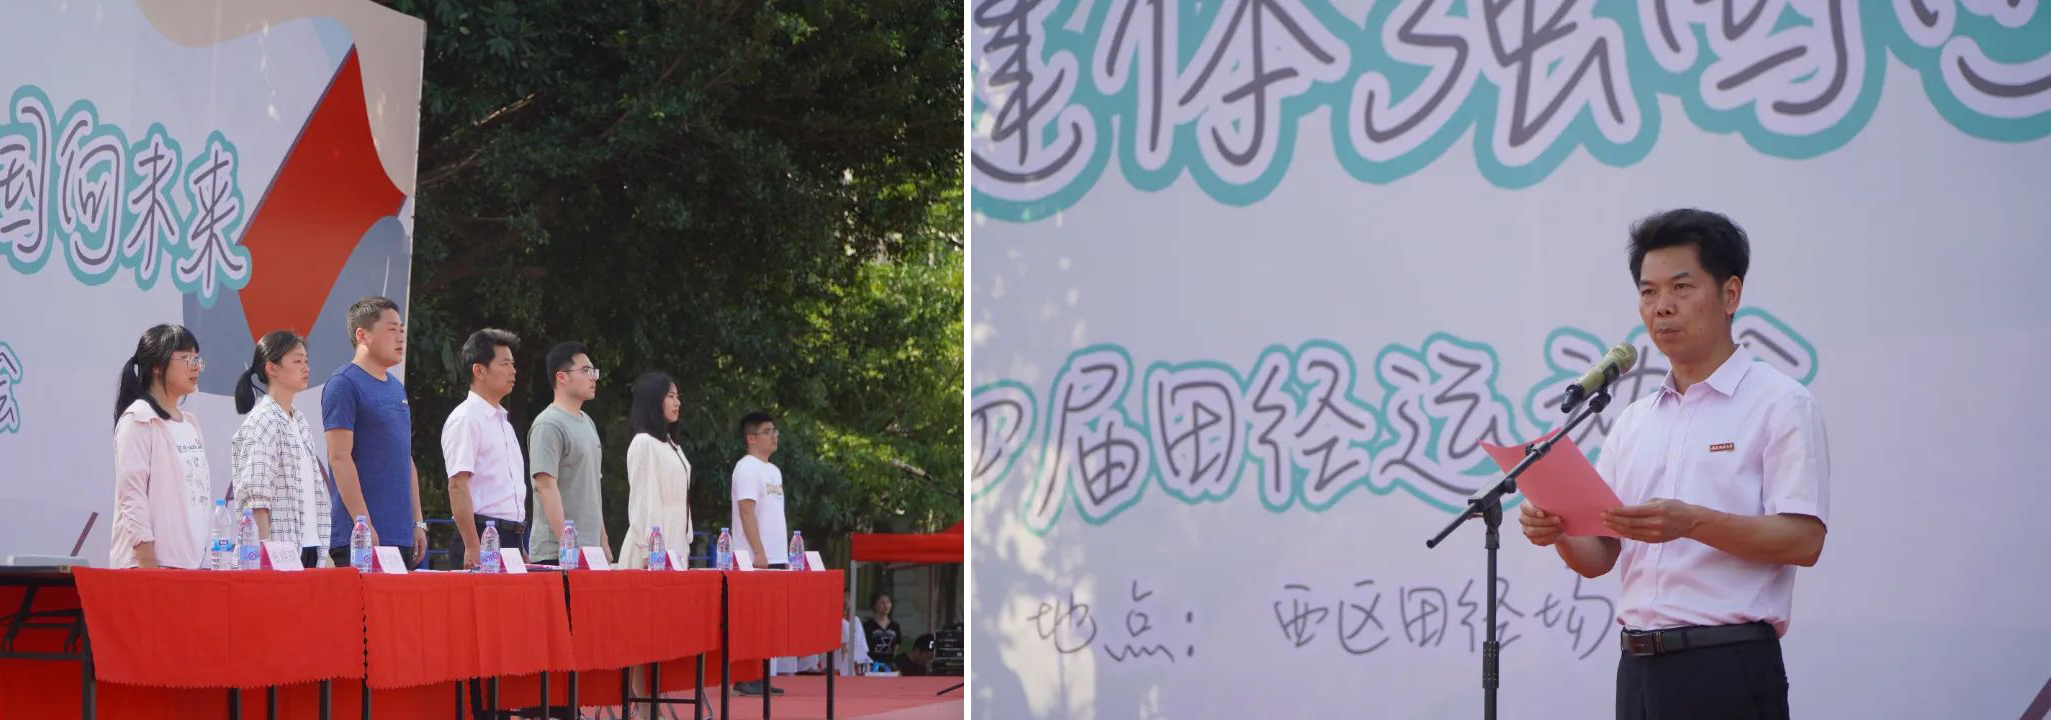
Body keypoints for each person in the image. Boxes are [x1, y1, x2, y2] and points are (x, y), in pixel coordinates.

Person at [1518, 209, 1829, 720]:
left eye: (1681, 288)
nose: (1662, 307)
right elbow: (1600, 556)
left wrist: (1691, 522)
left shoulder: (1780, 403)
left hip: (1727, 665)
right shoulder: (1634, 421)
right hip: (1638, 668)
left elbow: (1804, 540)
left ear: (1730, 295)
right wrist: (1560, 533)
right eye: (1649, 292)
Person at [324, 297, 427, 568]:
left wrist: (417, 522)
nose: (400, 337)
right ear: (362, 335)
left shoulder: (396, 387)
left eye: (401, 330)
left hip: (400, 534)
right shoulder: (343, 384)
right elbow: (339, 457)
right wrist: (364, 524)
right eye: (391, 329)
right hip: (359, 538)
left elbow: (405, 457)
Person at [229, 330, 332, 569]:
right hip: (277, 554)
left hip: (308, 546)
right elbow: (256, 496)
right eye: (297, 361)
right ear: (272, 368)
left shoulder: (300, 420)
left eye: (306, 361)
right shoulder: (264, 420)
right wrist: (264, 553)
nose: (305, 367)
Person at [110, 324, 210, 569]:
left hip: (191, 566)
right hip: (150, 568)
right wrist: (149, 567)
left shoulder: (190, 423)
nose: (195, 367)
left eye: (197, 359)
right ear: (157, 366)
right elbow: (131, 497)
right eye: (186, 358)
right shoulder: (139, 419)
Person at [442, 328, 526, 568]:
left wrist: (520, 547)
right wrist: (472, 544)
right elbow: (457, 484)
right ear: (479, 370)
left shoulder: (504, 423)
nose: (513, 371)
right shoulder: (466, 418)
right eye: (505, 364)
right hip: (481, 536)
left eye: (513, 364)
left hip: (512, 538)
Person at [527, 342, 609, 566]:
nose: (593, 378)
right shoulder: (548, 424)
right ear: (561, 377)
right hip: (558, 553)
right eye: (586, 371)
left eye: (594, 372)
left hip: (591, 551)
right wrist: (568, 546)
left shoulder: (587, 422)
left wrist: (602, 539)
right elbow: (546, 486)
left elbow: (593, 487)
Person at [731, 410, 789, 696]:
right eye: (767, 431)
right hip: (754, 557)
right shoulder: (746, 468)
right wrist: (758, 552)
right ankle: (744, 678)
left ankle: (762, 675)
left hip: (776, 556)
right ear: (751, 438)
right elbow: (746, 511)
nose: (773, 436)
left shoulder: (774, 471)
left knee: (768, 620)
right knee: (751, 618)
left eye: (774, 430)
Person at [618, 372, 692, 569]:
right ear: (653, 400)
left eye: (677, 397)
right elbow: (643, 499)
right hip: (653, 550)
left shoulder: (671, 444)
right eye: (670, 396)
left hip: (676, 542)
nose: (677, 403)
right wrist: (649, 551)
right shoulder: (644, 443)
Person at [862, 591, 904, 672]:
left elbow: (897, 645)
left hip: (889, 665)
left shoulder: (895, 626)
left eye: (888, 602)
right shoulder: (868, 626)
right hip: (872, 666)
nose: (886, 605)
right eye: (882, 603)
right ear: (874, 605)